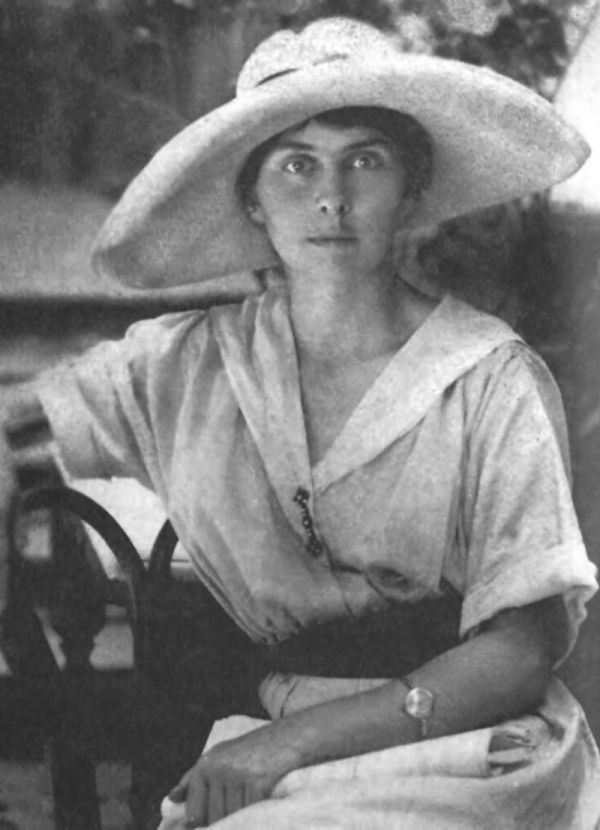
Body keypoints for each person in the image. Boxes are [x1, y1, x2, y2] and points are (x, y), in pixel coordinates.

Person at [2, 15, 600, 830]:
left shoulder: (490, 379)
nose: (332, 195)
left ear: (413, 188)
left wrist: (283, 748)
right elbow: (22, 420)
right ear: (252, 197)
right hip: (263, 737)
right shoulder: (191, 364)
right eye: (296, 163)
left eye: (366, 159)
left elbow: (524, 648)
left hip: (470, 748)